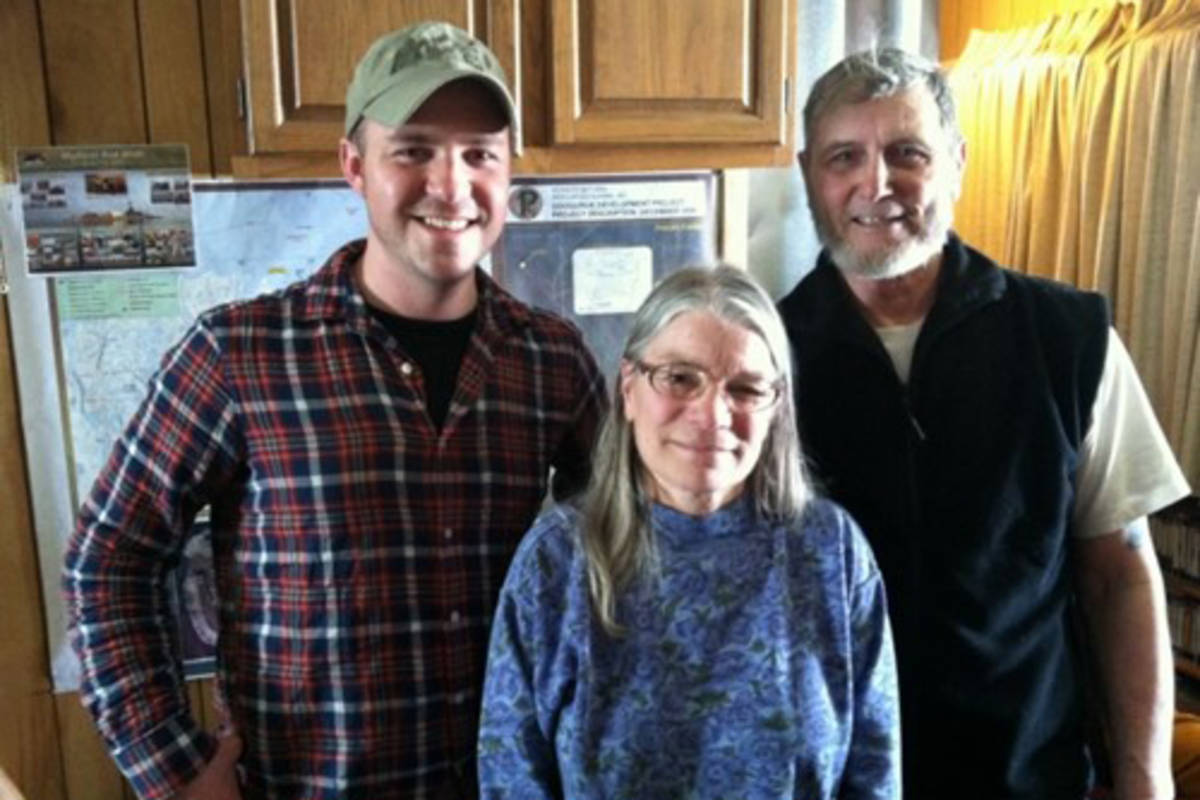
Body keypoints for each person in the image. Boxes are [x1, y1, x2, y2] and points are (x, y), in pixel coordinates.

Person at [62, 21, 605, 800]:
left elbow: (628, 552)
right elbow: (108, 559)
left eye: (479, 154)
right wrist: (174, 769)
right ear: (354, 165)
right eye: (413, 150)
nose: (451, 186)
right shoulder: (237, 354)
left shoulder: (552, 360)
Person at [777, 47, 1193, 799]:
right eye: (845, 157)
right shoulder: (759, 363)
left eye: (907, 153)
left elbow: (1120, 575)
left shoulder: (1069, 338)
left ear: (957, 163)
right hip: (831, 782)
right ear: (810, 174)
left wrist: (1146, 776)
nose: (877, 184)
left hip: (1030, 778)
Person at [478, 266, 900, 799]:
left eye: (745, 389)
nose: (712, 415)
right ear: (628, 388)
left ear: (777, 407)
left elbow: (875, 773)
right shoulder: (557, 560)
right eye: (680, 378)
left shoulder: (831, 553)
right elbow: (511, 777)